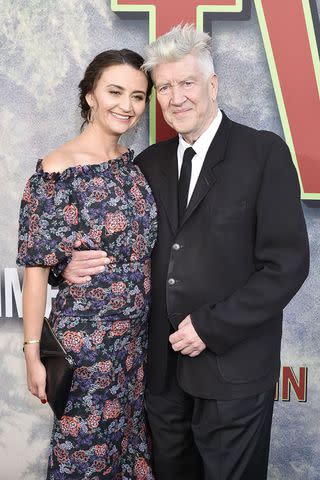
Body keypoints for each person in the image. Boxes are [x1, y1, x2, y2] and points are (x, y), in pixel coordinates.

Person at [56, 25, 310, 480]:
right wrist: (65, 265)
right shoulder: (147, 162)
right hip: (161, 376)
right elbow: (115, 242)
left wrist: (211, 326)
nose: (176, 97)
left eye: (187, 83)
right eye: (166, 87)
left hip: (232, 371)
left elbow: (286, 265)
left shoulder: (264, 153)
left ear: (212, 85)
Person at [17, 49, 156, 479]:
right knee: (86, 461)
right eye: (115, 91)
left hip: (134, 349)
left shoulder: (132, 165)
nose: (126, 106)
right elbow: (36, 268)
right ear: (90, 95)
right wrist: (32, 354)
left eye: (137, 96)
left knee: (127, 453)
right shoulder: (56, 170)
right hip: (87, 350)